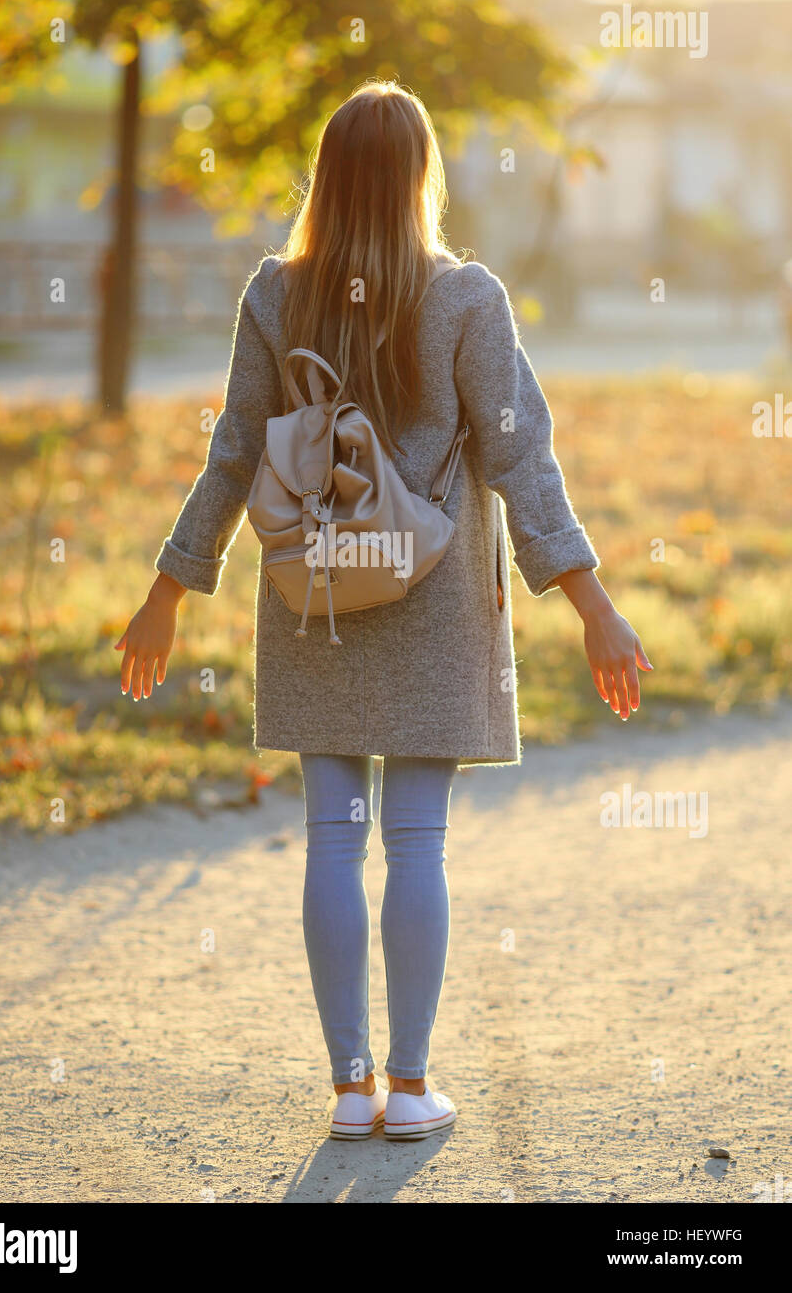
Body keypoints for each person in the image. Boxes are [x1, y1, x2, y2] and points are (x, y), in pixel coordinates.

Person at [116, 81, 651, 1142]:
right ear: (418, 178)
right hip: (434, 601)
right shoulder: (467, 299)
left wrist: (163, 594)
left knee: (331, 834)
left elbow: (231, 455)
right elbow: (519, 460)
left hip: (315, 590)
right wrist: (592, 605)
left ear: (326, 177)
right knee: (414, 840)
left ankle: (347, 1086)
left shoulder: (275, 295)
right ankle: (410, 1090)